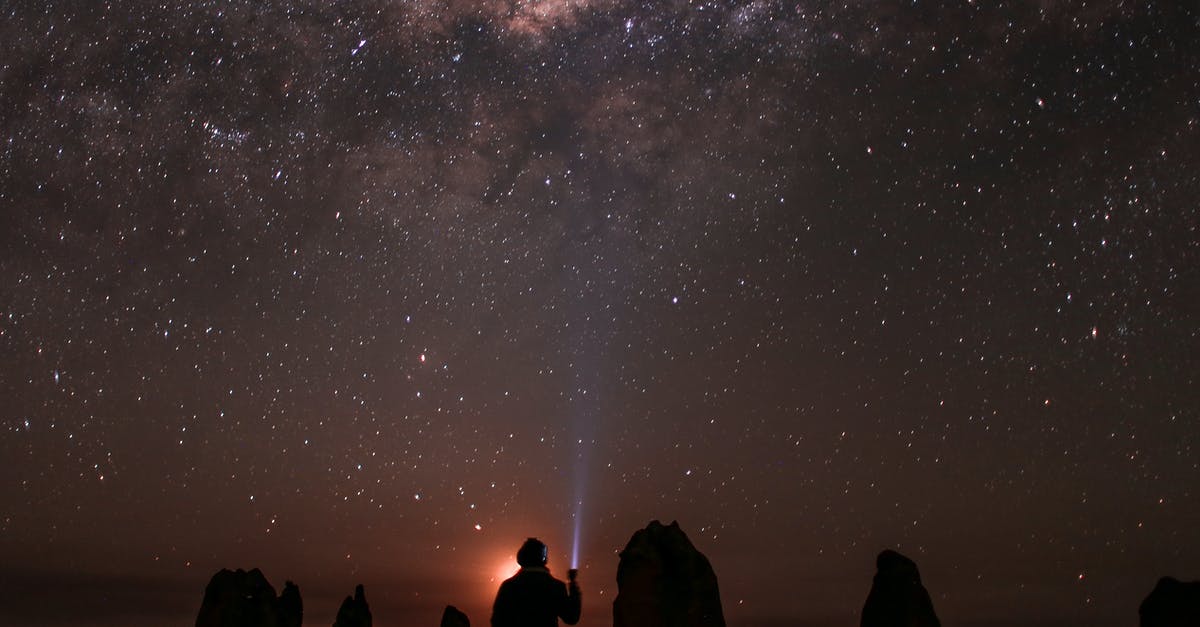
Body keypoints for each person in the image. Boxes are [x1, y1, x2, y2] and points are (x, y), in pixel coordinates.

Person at [491, 538, 581, 627]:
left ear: (521, 557)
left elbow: (497, 621)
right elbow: (571, 618)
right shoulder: (556, 586)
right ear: (544, 559)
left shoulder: (509, 586)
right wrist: (573, 585)